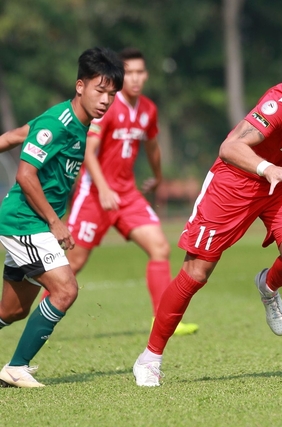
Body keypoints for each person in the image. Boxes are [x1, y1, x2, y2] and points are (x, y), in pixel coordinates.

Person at [132, 76, 282, 386]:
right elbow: (230, 147)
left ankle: (268, 286)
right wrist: (268, 169)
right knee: (197, 272)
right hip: (238, 178)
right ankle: (150, 358)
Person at [0, 47, 124, 387]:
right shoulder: (59, 123)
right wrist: (55, 223)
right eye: (100, 90)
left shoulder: (79, 123)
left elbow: (14, 136)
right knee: (66, 290)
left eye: (112, 94)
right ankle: (16, 368)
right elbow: (25, 175)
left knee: (12, 310)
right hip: (25, 221)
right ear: (80, 86)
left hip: (32, 222)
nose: (105, 100)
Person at [62, 47, 198, 335]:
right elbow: (88, 151)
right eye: (130, 72)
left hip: (127, 195)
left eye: (140, 72)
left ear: (146, 75)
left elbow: (152, 146)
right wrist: (103, 189)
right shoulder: (107, 105)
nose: (135, 78)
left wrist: (158, 177)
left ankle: (162, 321)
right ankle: (41, 324)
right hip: (94, 194)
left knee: (159, 248)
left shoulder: (148, 109)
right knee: (73, 263)